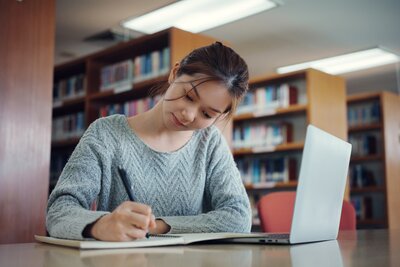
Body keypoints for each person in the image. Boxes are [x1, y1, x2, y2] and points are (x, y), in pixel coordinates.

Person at [46, 42, 252, 241]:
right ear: (175, 73)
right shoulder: (106, 134)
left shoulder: (210, 142)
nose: (188, 115)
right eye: (188, 96)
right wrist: (100, 225)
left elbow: (239, 217)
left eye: (207, 114)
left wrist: (158, 226)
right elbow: (59, 210)